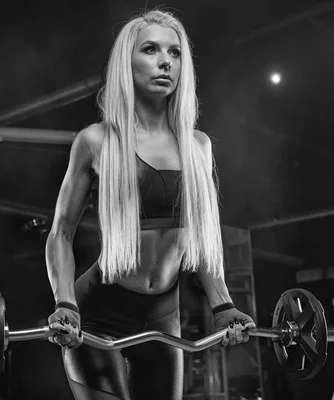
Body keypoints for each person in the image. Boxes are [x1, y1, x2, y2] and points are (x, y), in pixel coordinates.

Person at [45, 9, 256, 400]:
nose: (165, 62)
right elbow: (60, 233)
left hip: (162, 316)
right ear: (127, 63)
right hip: (97, 313)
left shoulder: (198, 147)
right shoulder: (96, 141)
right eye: (150, 49)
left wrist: (224, 305)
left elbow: (204, 242)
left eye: (175, 53)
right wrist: (65, 303)